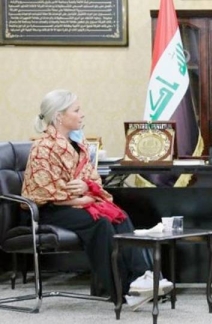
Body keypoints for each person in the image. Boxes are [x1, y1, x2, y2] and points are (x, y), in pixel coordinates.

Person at [21, 89, 173, 310]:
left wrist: (86, 189)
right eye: (77, 110)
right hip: (50, 209)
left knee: (118, 216)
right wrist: (78, 201)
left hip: (78, 204)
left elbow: (92, 180)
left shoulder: (78, 145)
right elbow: (42, 190)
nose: (82, 114)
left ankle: (143, 279)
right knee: (101, 222)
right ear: (59, 116)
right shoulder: (42, 147)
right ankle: (121, 290)